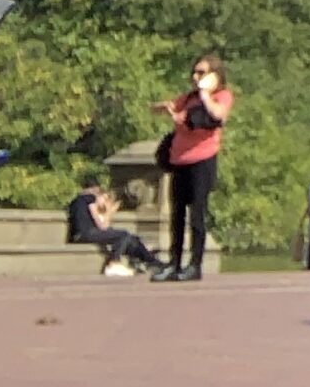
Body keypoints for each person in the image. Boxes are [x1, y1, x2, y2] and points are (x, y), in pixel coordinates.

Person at [149, 54, 234, 281]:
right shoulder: (188, 98)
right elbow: (156, 109)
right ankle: (174, 263)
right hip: (180, 161)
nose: (196, 77)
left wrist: (206, 94)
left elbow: (218, 115)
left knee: (197, 214)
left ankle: (195, 265)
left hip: (202, 161)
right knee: (176, 214)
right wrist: (165, 108)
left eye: (202, 73)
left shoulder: (221, 96)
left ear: (214, 76)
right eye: (194, 72)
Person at [67, 174, 157, 275]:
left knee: (133, 239)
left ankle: (149, 261)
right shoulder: (89, 198)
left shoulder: (76, 201)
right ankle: (113, 263)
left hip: (80, 234)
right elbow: (102, 225)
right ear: (95, 189)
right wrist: (110, 211)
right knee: (123, 234)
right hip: (85, 233)